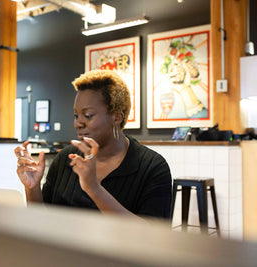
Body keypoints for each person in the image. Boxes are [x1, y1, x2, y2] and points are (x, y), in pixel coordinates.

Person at [14, 70, 172, 220]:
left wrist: (93, 188)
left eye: (88, 115)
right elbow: (42, 221)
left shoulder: (152, 167)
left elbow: (152, 234)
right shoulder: (64, 159)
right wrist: (32, 188)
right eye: (76, 115)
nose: (78, 123)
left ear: (117, 117)